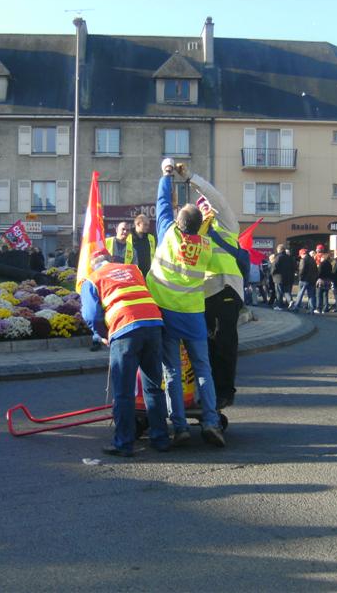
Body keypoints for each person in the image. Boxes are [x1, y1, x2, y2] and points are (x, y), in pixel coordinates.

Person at [146, 158, 225, 447]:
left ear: (178, 223)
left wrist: (166, 174)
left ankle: (179, 426)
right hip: (193, 313)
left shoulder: (167, 233)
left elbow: (162, 204)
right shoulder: (206, 245)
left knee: (172, 372)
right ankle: (211, 421)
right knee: (203, 368)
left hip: (166, 312)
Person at [80, 250, 169, 457]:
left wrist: (103, 335)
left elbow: (91, 315)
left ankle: (124, 443)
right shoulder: (132, 269)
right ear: (111, 261)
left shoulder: (92, 279)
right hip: (154, 325)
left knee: (124, 392)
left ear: (93, 265)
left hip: (125, 329)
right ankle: (161, 438)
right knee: (154, 387)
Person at [175, 163, 245, 411]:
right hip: (201, 294)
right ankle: (204, 391)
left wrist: (191, 178)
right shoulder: (191, 232)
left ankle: (224, 392)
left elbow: (218, 199)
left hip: (225, 289)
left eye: (206, 208)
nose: (205, 211)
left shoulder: (225, 226)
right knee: (203, 347)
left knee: (224, 342)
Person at [290, 248, 317, 313]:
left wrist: (300, 277)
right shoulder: (312, 260)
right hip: (312, 280)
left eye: (301, 255)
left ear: (302, 254)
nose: (300, 256)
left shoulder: (303, 260)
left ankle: (296, 307)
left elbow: (301, 270)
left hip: (304, 279)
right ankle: (311, 309)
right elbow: (316, 270)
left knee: (300, 294)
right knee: (311, 295)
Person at [271, 244, 294, 309]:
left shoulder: (278, 257)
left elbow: (274, 267)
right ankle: (290, 301)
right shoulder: (289, 257)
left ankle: (279, 306)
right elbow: (293, 267)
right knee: (286, 291)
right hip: (287, 277)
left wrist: (272, 273)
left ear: (279, 250)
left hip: (278, 277)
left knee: (279, 292)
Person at [314, 248, 333, 314]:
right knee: (325, 295)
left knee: (318, 295)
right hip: (328, 280)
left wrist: (316, 278)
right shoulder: (329, 264)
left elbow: (319, 272)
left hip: (321, 280)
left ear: (323, 258)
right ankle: (325, 308)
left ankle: (318, 308)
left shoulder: (321, 264)